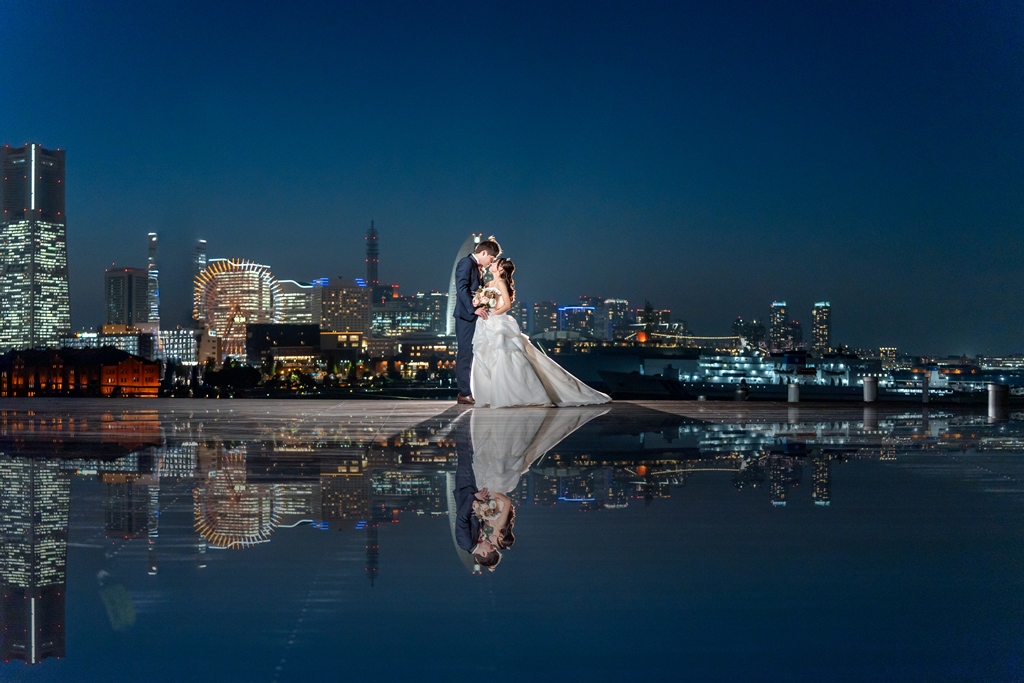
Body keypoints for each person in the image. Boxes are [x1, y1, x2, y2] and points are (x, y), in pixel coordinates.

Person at [470, 257, 611, 408]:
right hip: (485, 323)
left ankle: (516, 394)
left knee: (505, 355)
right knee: (485, 356)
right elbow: (479, 300)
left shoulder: (500, 283)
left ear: (501, 269)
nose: (492, 263)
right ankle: (492, 394)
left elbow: (508, 304)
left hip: (497, 322)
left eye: (495, 263)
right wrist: (478, 303)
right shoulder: (489, 283)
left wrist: (494, 314)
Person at [452, 237, 502, 405]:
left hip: (475, 316)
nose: (490, 262)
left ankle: (473, 391)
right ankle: (464, 393)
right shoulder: (466, 263)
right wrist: (473, 309)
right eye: (491, 259)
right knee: (465, 353)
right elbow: (461, 288)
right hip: (466, 316)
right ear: (484, 253)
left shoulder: (476, 267)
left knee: (474, 354)